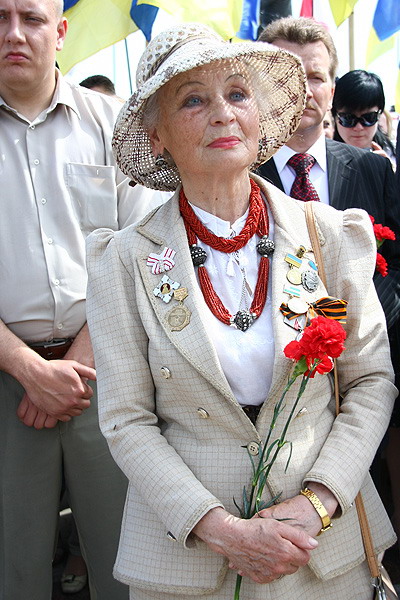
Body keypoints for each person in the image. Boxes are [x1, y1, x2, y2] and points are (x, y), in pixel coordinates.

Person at [86, 22, 397, 600]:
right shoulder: (122, 261)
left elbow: (369, 379)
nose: (223, 114)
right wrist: (222, 530)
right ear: (157, 135)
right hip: (189, 562)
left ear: (260, 115)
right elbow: (127, 420)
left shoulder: (331, 237)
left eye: (237, 93)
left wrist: (320, 500)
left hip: (322, 552)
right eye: (193, 100)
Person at [0, 0, 168, 598]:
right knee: (12, 568)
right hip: (5, 382)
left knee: (128, 563)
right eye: (0, 17)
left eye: (31, 18)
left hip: (106, 374)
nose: (14, 33)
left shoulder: (113, 124)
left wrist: (78, 359)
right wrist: (28, 368)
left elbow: (147, 245)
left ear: (61, 31)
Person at [257, 17, 400, 332]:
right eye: (287, 76)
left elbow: (396, 263)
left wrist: (357, 318)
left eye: (316, 77)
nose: (304, 90)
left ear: (332, 91)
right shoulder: (239, 177)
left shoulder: (373, 170)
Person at [332, 69, 396, 166]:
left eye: (369, 118)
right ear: (335, 116)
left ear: (380, 114)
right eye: (348, 118)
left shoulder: (393, 155)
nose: (358, 127)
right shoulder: (320, 160)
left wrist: (390, 172)